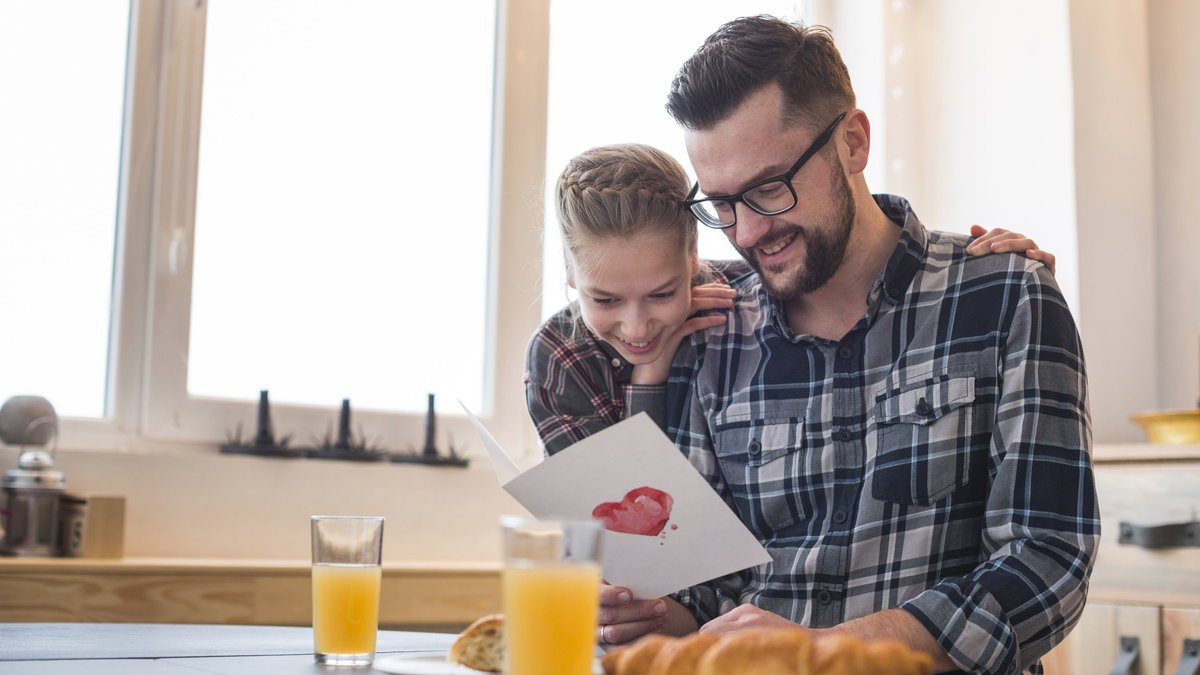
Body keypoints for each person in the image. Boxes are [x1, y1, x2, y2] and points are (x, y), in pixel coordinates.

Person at [590, 16, 1098, 675]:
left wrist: (832, 650)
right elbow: (708, 587)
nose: (746, 231)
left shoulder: (1005, 297)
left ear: (853, 142)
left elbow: (1047, 560)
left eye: (769, 188)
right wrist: (646, 608)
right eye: (720, 203)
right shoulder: (709, 333)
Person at [525, 145, 1054, 457]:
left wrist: (1001, 271)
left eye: (663, 293)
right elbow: (628, 519)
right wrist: (651, 378)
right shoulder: (560, 357)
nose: (636, 326)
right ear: (570, 275)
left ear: (695, 260)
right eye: (606, 298)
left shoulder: (750, 300)